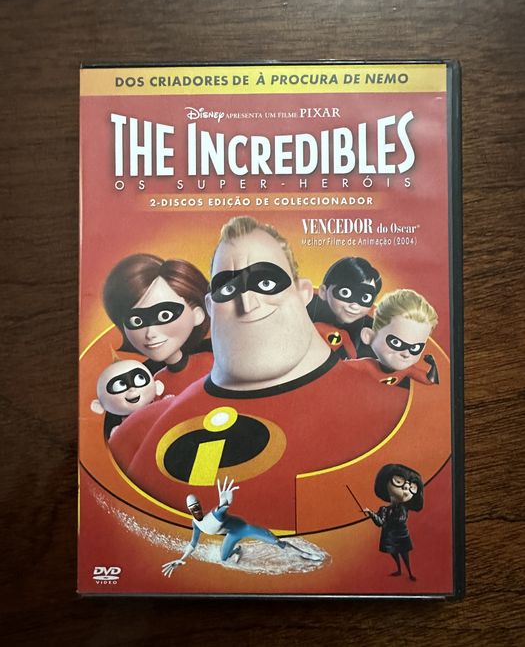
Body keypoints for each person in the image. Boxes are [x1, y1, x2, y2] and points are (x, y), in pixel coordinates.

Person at [109, 217, 407, 530]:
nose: (248, 303)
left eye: (265, 284)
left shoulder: (393, 410)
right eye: (228, 288)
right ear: (209, 306)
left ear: (303, 293)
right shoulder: (138, 434)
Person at [103, 254, 213, 394]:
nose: (150, 333)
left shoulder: (211, 361)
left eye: (164, 315)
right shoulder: (154, 381)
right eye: (136, 321)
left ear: (197, 314)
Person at [161, 478, 318, 575]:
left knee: (276, 542)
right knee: (223, 558)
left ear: (200, 505)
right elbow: (193, 544)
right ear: (189, 510)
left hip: (244, 528)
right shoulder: (196, 524)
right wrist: (181, 559)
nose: (196, 510)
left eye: (197, 506)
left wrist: (225, 501)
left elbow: (222, 508)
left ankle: (304, 554)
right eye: (193, 508)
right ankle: (238, 550)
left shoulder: (215, 515)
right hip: (232, 534)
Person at [349, 289, 439, 388]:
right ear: (368, 336)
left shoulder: (407, 370)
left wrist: (433, 364)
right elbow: (340, 367)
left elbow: (429, 380)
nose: (406, 354)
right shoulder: (365, 365)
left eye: (415, 348)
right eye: (396, 342)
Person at [307, 257, 381, 358]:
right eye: (345, 293)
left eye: (365, 298)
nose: (354, 306)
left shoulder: (373, 332)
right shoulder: (305, 308)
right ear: (323, 292)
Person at [364, 463, 424, 581]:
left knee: (405, 555)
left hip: (401, 535)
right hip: (389, 537)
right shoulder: (384, 509)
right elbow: (380, 523)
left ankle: (410, 572)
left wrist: (387, 521)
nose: (406, 488)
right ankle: (399, 570)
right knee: (394, 553)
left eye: (412, 487)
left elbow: (400, 519)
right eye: (398, 481)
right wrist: (371, 513)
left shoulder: (403, 508)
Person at [90, 359, 165, 438]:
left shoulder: (162, 405)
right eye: (119, 385)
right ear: (99, 406)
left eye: (140, 378)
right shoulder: (121, 429)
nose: (132, 389)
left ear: (158, 386)